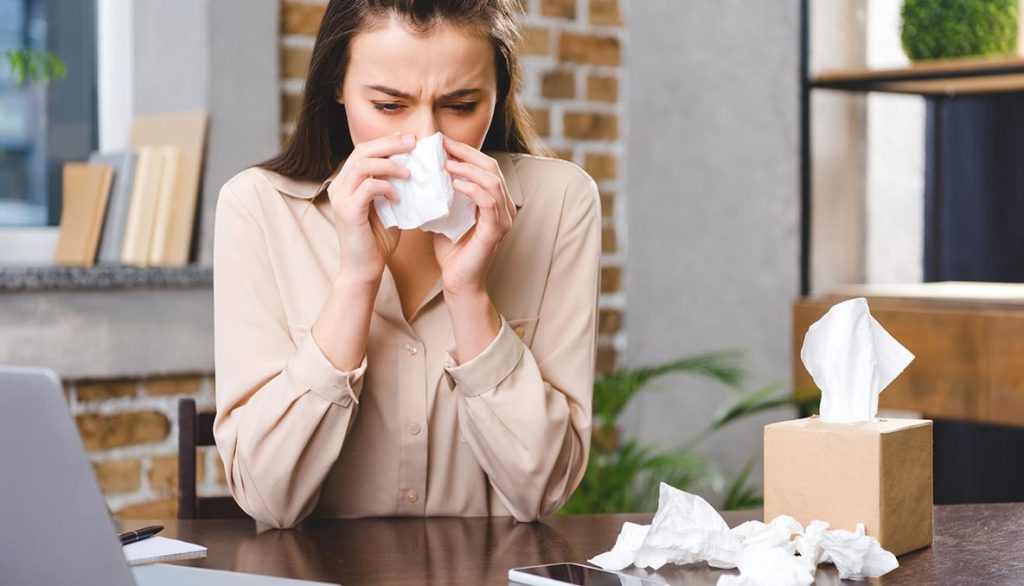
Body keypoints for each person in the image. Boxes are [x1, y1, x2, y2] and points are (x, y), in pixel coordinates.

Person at [212, 0, 601, 529]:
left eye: (461, 105)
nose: (426, 142)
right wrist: (356, 280)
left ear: (498, 96)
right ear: (338, 89)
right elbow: (267, 498)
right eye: (390, 106)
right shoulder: (257, 208)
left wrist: (470, 296)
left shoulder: (560, 204)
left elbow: (544, 489)